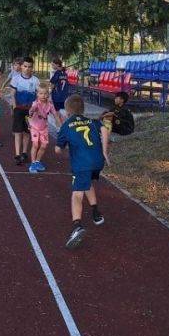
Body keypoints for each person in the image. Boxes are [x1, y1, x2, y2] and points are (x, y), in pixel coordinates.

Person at [55, 94, 110, 250]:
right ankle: (96, 213)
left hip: (82, 163)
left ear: (67, 111)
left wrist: (62, 143)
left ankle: (77, 225)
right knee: (87, 183)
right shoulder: (92, 121)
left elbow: (58, 149)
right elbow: (104, 129)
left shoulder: (66, 125)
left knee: (77, 193)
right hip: (97, 161)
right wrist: (105, 151)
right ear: (83, 109)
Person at [5, 56, 40, 166]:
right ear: (21, 66)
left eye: (29, 67)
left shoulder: (35, 80)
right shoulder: (16, 79)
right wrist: (15, 107)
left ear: (32, 68)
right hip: (19, 109)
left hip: (30, 111)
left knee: (27, 132)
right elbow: (12, 94)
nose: (27, 69)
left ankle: (24, 153)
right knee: (18, 132)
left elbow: (39, 95)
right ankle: (17, 154)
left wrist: (36, 109)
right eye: (25, 66)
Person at [27, 85, 62, 173]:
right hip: (34, 127)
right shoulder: (36, 103)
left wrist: (60, 124)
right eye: (41, 93)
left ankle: (37, 161)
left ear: (48, 94)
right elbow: (32, 109)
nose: (43, 95)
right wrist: (31, 111)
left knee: (44, 146)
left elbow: (55, 115)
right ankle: (32, 163)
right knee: (35, 144)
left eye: (45, 93)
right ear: (37, 94)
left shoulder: (50, 105)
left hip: (44, 128)